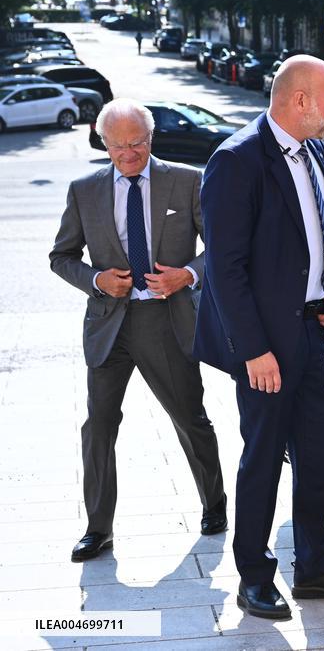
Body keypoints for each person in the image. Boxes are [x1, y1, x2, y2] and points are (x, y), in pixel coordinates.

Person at [194, 55, 324, 620]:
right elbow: (225, 269)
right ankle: (253, 575)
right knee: (263, 457)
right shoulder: (237, 160)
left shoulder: (316, 149)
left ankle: (316, 567)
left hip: (317, 332)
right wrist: (253, 350)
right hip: (266, 346)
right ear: (299, 100)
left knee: (319, 454)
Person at [50, 98, 227, 563]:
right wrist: (95, 280)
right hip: (109, 325)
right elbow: (61, 256)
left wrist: (186, 275)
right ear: (103, 142)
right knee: (99, 427)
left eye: (137, 144)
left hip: (166, 321)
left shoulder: (187, 180)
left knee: (189, 418)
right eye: (117, 146)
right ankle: (98, 528)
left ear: (151, 138)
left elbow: (222, 248)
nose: (128, 155)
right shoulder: (83, 189)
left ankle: (214, 504)